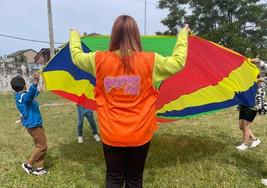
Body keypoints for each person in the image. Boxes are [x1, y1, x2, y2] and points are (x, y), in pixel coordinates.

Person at [69, 15, 190, 187]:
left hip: (111, 133)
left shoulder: (98, 60)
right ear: (136, 35)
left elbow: (76, 56)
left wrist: (74, 35)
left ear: (114, 35)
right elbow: (178, 62)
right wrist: (182, 35)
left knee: (114, 177)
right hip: (140, 133)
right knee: (134, 178)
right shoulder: (150, 60)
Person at [10, 73, 48, 175]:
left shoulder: (21, 96)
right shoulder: (23, 96)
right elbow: (29, 96)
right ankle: (28, 164)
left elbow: (29, 97)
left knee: (40, 146)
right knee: (42, 147)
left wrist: (37, 92)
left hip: (34, 124)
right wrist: (35, 82)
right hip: (34, 125)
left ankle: (40, 168)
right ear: (25, 85)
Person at [236, 57, 266, 151]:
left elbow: (260, 63)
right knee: (241, 126)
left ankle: (244, 144)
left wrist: (252, 60)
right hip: (244, 101)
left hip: (254, 103)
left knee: (246, 125)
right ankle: (255, 140)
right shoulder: (246, 75)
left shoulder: (263, 77)